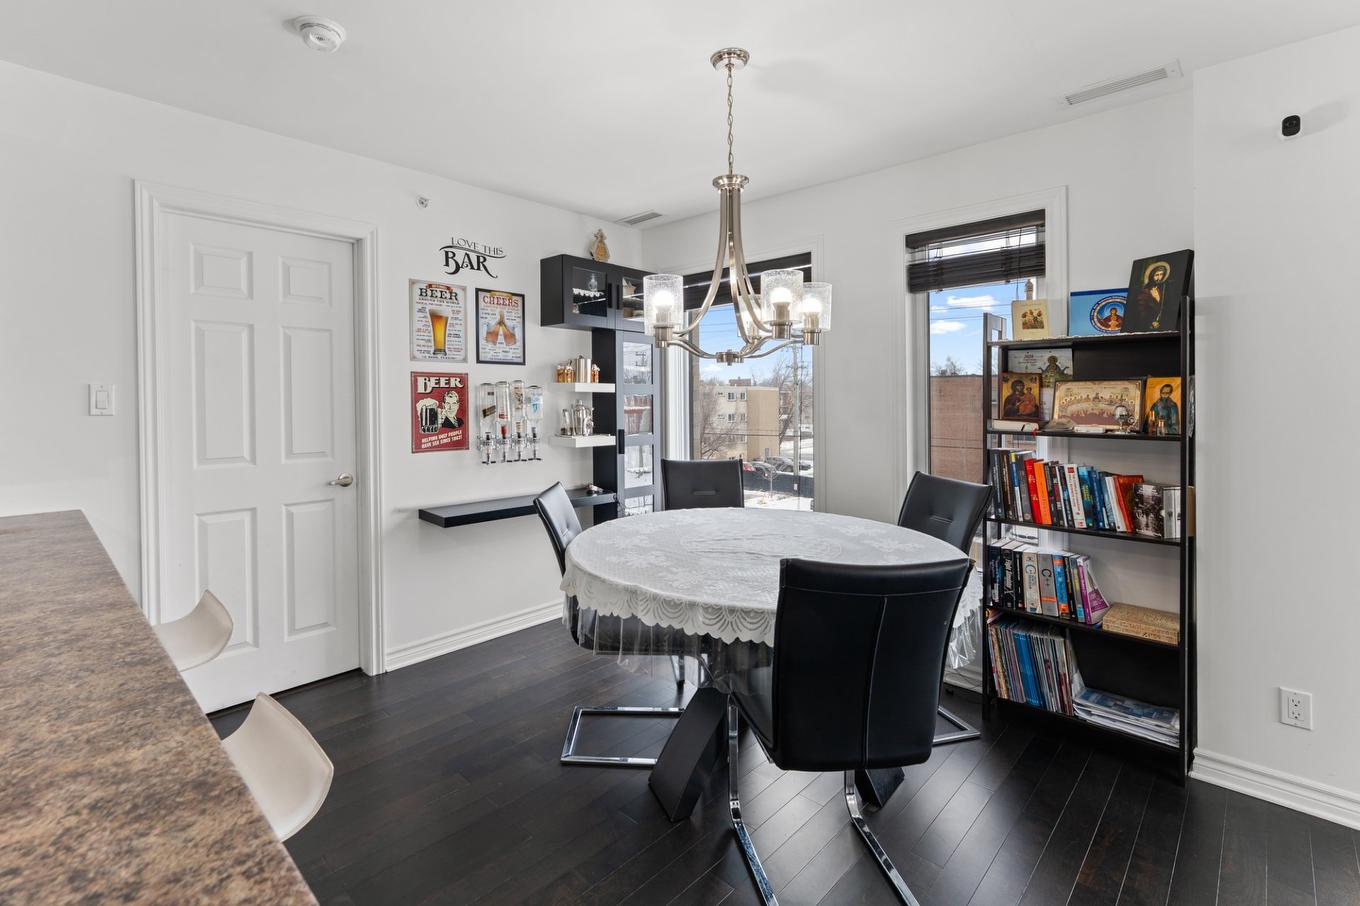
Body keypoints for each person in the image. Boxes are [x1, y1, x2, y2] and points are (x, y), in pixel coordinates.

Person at [1126, 261, 1173, 330]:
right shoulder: (1144, 291)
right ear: (1152, 276)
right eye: (1157, 275)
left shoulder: (1161, 290)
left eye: (1161, 274)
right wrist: (1150, 322)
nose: (1159, 278)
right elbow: (1141, 312)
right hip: (1147, 325)